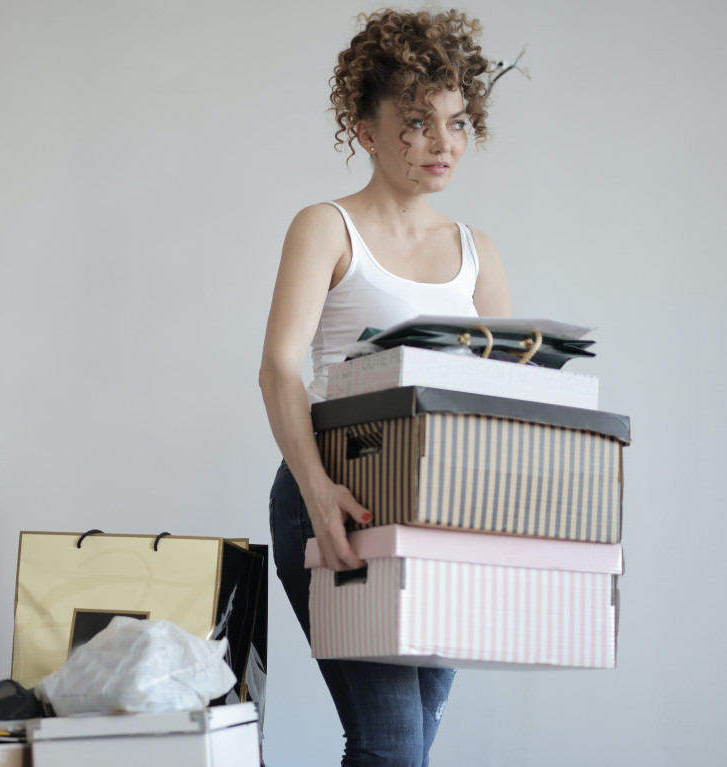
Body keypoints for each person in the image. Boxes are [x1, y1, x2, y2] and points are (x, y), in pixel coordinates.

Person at [258, 9, 513, 767]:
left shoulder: (479, 254)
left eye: (457, 122)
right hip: (339, 495)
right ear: (367, 132)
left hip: (445, 513)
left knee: (410, 741)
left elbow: (500, 400)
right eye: (417, 123)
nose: (444, 144)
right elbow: (279, 368)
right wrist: (314, 493)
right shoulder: (326, 228)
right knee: (393, 744)